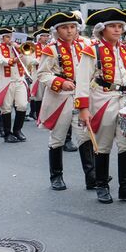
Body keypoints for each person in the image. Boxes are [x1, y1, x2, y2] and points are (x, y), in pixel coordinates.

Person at [76, 8, 126, 204]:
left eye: (119, 26)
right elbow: (82, 81)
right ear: (102, 29)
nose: (117, 30)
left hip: (123, 99)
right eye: (112, 26)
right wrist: (83, 109)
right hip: (102, 98)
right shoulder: (92, 50)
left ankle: (125, 186)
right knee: (103, 144)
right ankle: (101, 185)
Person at [36, 12, 95, 191]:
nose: (70, 31)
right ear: (57, 30)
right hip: (60, 98)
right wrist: (60, 82)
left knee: (85, 135)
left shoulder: (86, 44)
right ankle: (56, 176)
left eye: (72, 27)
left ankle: (91, 176)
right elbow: (42, 74)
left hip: (81, 95)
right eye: (64, 27)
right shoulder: (51, 49)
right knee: (58, 137)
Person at [0, 28, 30, 143]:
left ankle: (17, 130)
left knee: (22, 105)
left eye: (11, 36)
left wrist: (21, 51)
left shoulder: (18, 48)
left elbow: (27, 62)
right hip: (5, 81)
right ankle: (7, 133)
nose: (10, 39)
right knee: (6, 108)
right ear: (2, 38)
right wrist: (13, 60)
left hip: (19, 80)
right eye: (8, 36)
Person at [26, 29, 50, 122]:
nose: (47, 37)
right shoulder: (33, 46)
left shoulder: (49, 46)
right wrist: (40, 60)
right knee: (38, 96)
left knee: (47, 95)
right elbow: (29, 60)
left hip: (48, 73)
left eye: (47, 36)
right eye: (44, 36)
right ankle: (38, 115)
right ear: (39, 37)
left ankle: (45, 115)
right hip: (37, 73)